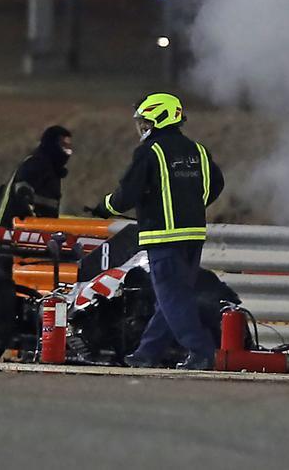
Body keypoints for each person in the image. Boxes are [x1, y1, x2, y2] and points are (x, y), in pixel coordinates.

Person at [89, 92, 224, 370]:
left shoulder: (150, 152)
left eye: (145, 121)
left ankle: (201, 351)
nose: (142, 127)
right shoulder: (198, 150)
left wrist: (105, 206)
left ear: (160, 118)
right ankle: (146, 353)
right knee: (171, 298)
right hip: (192, 236)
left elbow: (127, 194)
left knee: (173, 298)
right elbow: (215, 185)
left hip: (163, 237)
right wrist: (191, 205)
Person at [0, 125, 73, 227]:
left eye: (69, 147)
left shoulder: (52, 172)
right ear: (52, 144)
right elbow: (21, 192)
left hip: (38, 233)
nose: (67, 152)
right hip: (16, 233)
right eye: (63, 146)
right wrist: (33, 221)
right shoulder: (37, 164)